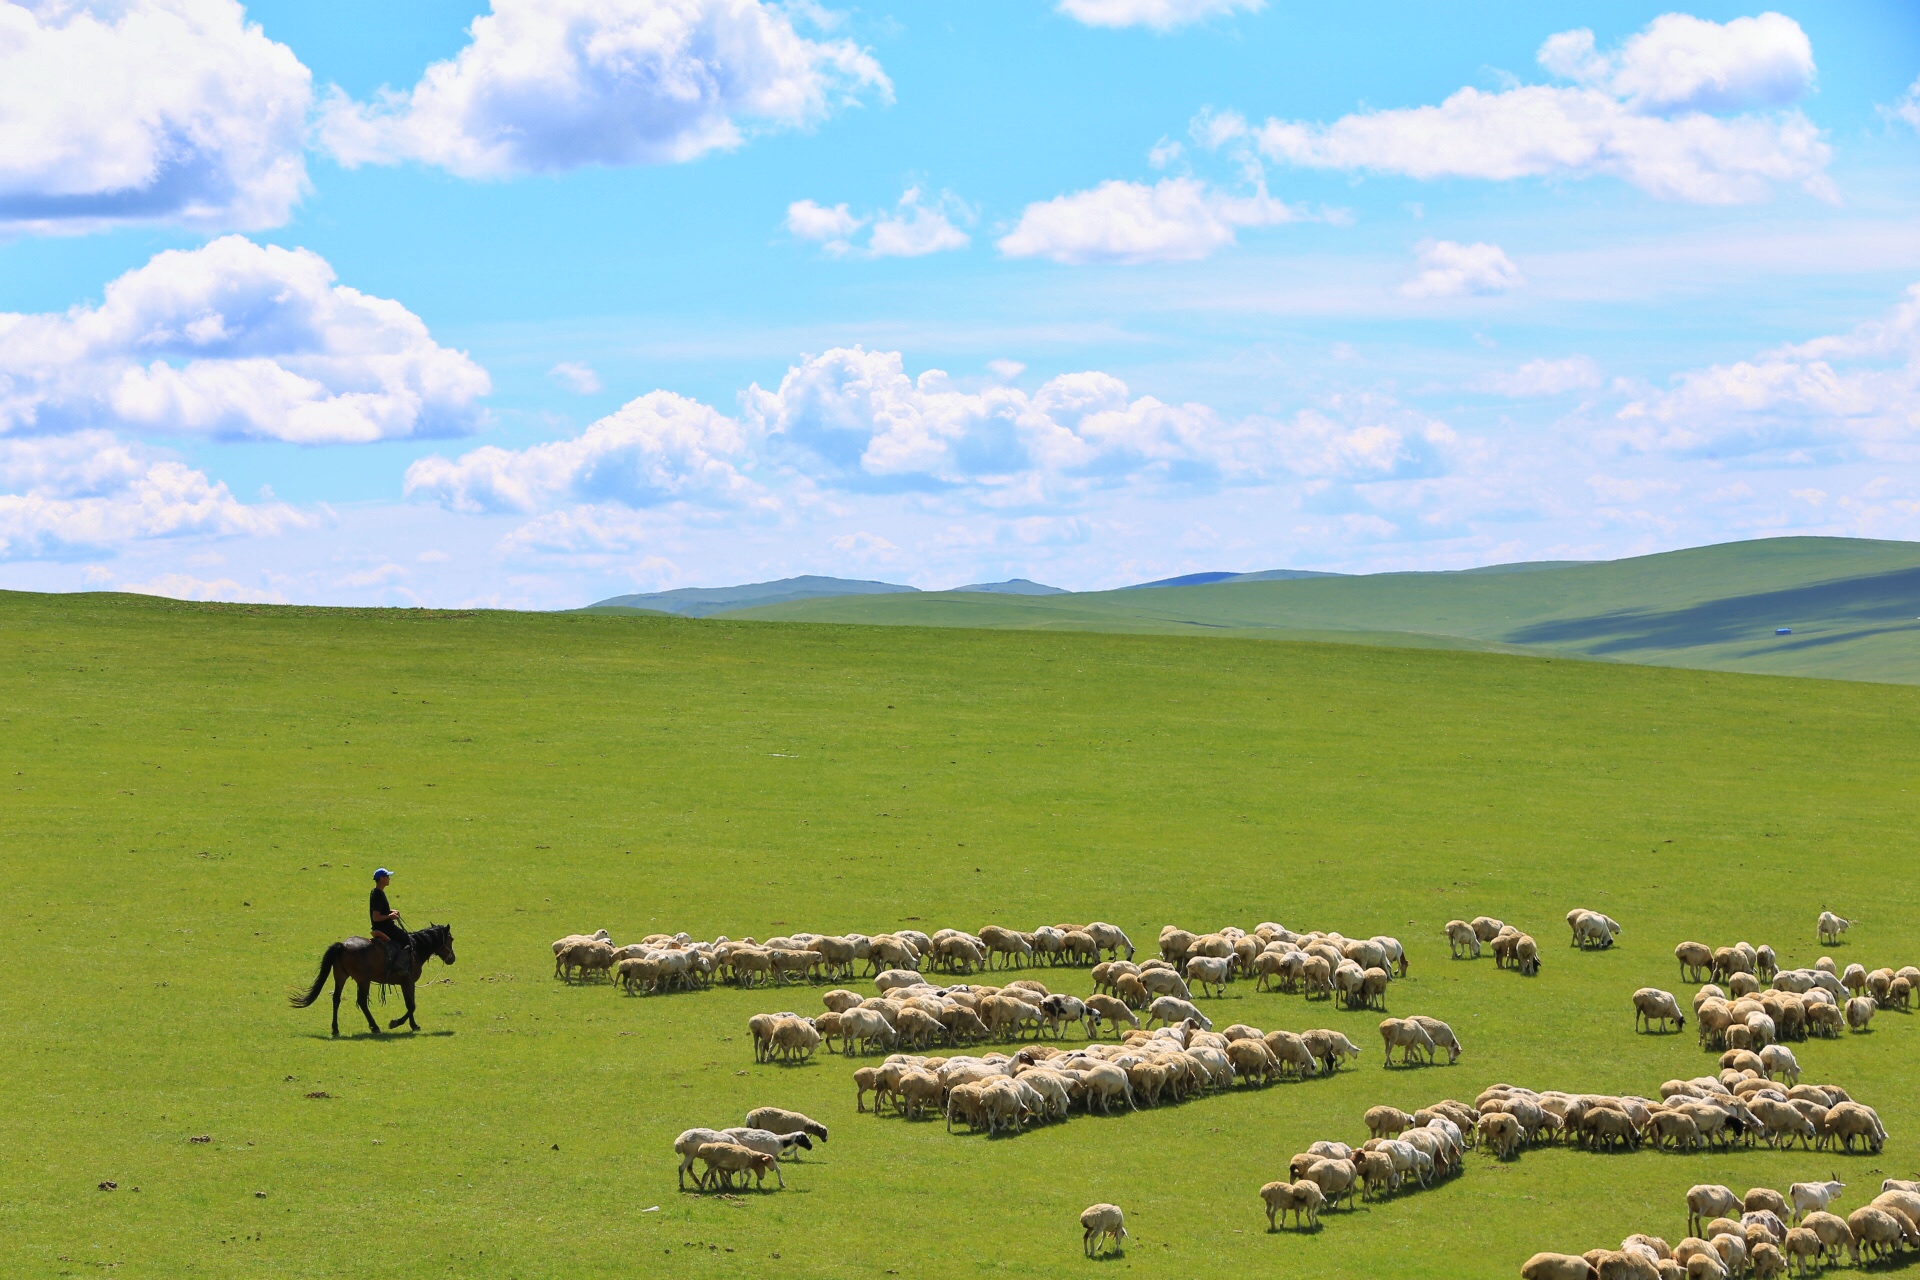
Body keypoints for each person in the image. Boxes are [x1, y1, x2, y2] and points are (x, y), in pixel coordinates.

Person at [369, 868, 412, 982]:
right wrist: (390, 917)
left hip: (383, 926)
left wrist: (391, 911)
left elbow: (381, 910)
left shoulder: (376, 892)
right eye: (387, 876)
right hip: (385, 928)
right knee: (407, 939)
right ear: (382, 879)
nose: (389, 878)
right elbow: (376, 917)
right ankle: (399, 966)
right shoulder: (378, 894)